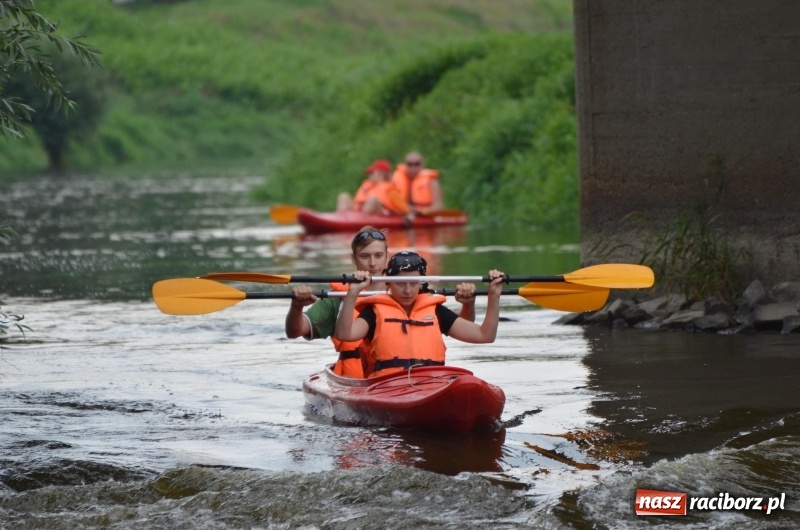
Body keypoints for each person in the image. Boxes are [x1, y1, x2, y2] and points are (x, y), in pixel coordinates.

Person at [285, 229, 478, 378]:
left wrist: (468, 304)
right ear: (354, 259)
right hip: (357, 384)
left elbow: (458, 328)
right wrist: (297, 306)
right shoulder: (338, 299)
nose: (372, 263)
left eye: (378, 256)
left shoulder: (410, 292)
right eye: (365, 256)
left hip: (405, 383)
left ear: (387, 257)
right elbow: (294, 331)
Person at [335, 251, 504, 378]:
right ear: (388, 283)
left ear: (421, 283)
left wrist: (494, 296)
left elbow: (485, 335)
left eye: (413, 283)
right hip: (388, 387)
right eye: (400, 283)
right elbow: (345, 334)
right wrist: (353, 292)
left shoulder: (436, 311)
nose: (408, 290)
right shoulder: (374, 312)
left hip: (431, 383)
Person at [336, 159, 410, 215]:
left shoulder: (391, 190)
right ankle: (339, 220)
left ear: (381, 173)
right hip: (358, 213)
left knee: (373, 200)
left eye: (372, 173)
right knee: (343, 196)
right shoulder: (367, 185)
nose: (369, 175)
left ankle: (358, 223)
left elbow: (405, 210)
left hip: (379, 215)